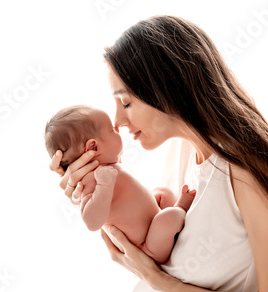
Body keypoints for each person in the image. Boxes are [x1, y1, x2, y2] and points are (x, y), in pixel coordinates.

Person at [49, 15, 268, 292]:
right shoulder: (183, 151)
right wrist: (89, 189)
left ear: (169, 90)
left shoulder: (243, 171)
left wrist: (161, 281)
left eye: (127, 102)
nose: (117, 120)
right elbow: (163, 252)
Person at [45, 105, 196, 264]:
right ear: (94, 147)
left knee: (162, 193)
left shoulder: (106, 167)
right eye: (112, 130)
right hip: (146, 248)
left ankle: (171, 224)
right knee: (169, 217)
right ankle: (179, 210)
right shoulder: (90, 180)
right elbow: (92, 222)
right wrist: (104, 186)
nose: (118, 129)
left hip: (153, 226)